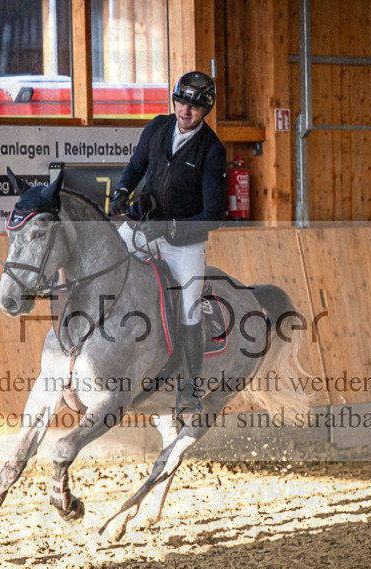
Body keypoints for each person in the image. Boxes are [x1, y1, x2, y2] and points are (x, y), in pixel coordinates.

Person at [107, 70, 227, 416]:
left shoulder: (213, 150)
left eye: (192, 106)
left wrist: (172, 228)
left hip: (182, 242)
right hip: (145, 225)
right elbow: (135, 167)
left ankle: (191, 387)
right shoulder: (157, 127)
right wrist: (121, 192)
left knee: (189, 305)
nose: (184, 111)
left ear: (205, 110)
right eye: (180, 101)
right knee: (106, 260)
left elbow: (213, 215)